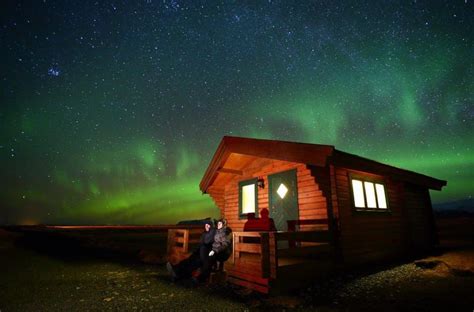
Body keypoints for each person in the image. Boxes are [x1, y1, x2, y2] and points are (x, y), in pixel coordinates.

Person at [195, 218, 232, 283]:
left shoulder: (225, 233)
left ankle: (202, 277)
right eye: (218, 223)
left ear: (223, 225)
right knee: (203, 251)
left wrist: (215, 250)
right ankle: (204, 270)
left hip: (222, 252)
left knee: (210, 258)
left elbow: (225, 245)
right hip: (214, 249)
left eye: (220, 224)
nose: (218, 224)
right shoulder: (217, 231)